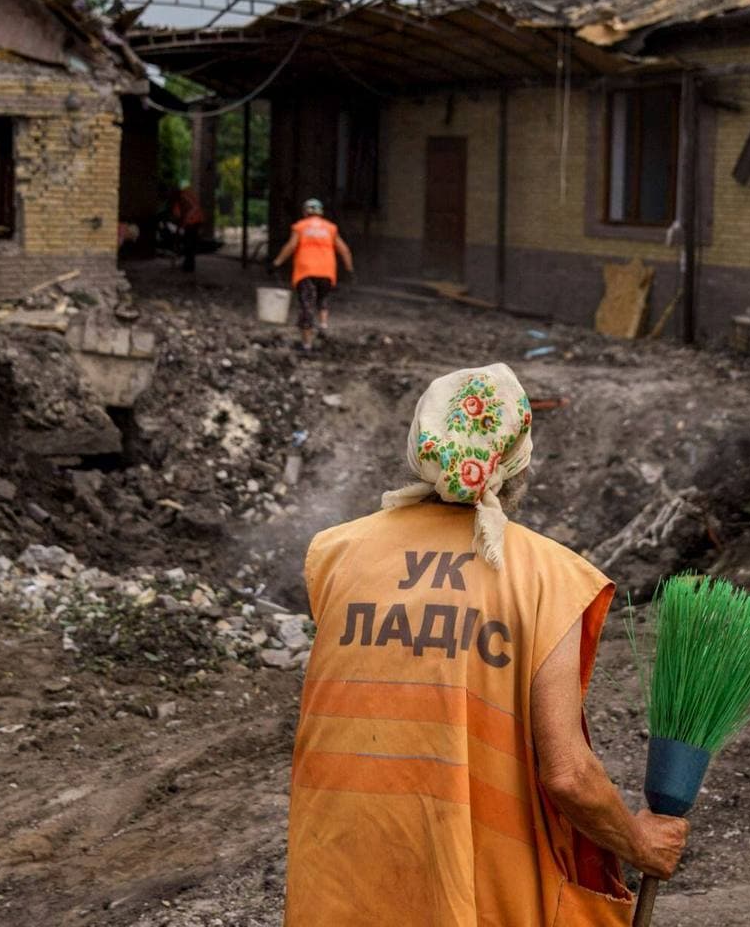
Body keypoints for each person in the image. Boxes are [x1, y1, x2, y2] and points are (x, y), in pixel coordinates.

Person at [284, 364, 687, 924]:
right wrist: (640, 844)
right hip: (474, 899)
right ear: (517, 459)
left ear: (419, 447)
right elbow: (568, 774)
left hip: (338, 889)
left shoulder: (335, 554)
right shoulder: (549, 576)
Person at [272, 198, 353, 353]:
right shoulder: (330, 228)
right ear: (320, 212)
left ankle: (307, 345)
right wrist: (349, 270)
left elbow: (291, 246)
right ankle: (323, 325)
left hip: (306, 271)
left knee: (307, 306)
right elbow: (344, 250)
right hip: (327, 271)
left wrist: (277, 262)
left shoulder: (300, 227)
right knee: (322, 298)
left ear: (305, 212)